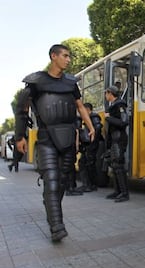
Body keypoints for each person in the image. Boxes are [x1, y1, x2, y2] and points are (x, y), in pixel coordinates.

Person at [14, 44, 95, 242]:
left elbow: (80, 106)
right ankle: (57, 226)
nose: (68, 60)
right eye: (65, 56)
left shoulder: (70, 82)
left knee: (61, 182)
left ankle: (50, 208)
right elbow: (22, 110)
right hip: (46, 138)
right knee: (51, 179)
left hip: (68, 137)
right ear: (53, 56)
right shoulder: (35, 81)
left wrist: (90, 125)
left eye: (69, 56)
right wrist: (19, 136)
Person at [104, 85, 129, 202]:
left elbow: (124, 122)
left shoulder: (120, 105)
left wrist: (108, 118)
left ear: (110, 93)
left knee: (119, 166)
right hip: (114, 139)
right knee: (114, 166)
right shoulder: (113, 105)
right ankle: (117, 191)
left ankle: (124, 193)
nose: (105, 96)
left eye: (106, 93)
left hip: (119, 139)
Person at [77, 103, 103, 192]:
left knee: (87, 164)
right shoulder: (91, 118)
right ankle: (89, 184)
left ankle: (89, 185)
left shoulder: (93, 117)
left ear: (87, 110)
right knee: (86, 164)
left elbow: (98, 128)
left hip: (91, 146)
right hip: (89, 146)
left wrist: (92, 142)